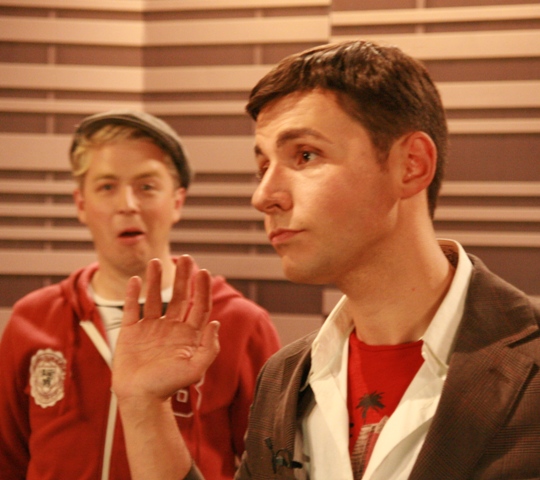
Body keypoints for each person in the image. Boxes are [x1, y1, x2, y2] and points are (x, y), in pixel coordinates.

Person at [111, 40, 540, 480]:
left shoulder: (529, 367)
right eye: (263, 168)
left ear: (411, 165)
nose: (263, 196)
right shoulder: (284, 377)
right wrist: (144, 405)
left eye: (305, 155)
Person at [0, 110, 281, 480]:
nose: (127, 204)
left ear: (177, 201)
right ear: (81, 204)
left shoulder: (239, 323)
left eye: (146, 186)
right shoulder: (33, 319)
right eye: (107, 186)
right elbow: (8, 459)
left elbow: (272, 467)